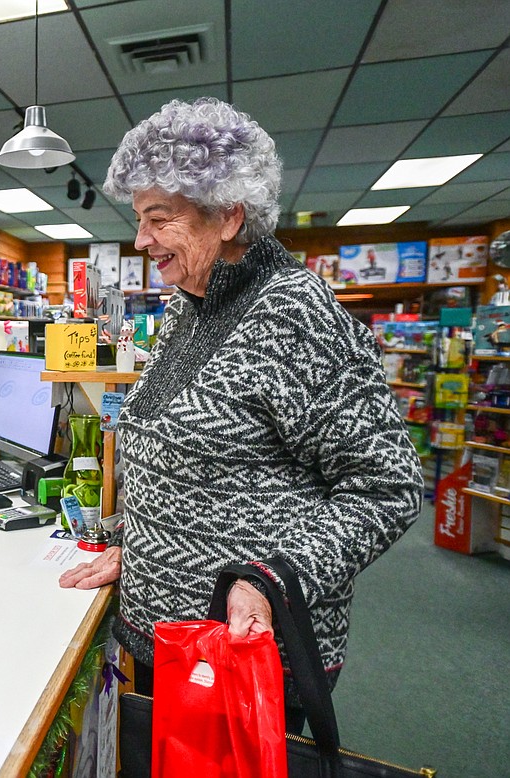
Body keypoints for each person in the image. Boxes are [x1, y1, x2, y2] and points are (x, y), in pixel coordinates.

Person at [59, 98, 422, 724]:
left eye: (158, 218)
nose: (141, 239)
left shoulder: (293, 315)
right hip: (166, 643)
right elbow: (198, 468)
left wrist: (269, 580)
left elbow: (388, 486)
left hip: (244, 657)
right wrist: (137, 544)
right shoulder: (188, 305)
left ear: (228, 216)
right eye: (139, 218)